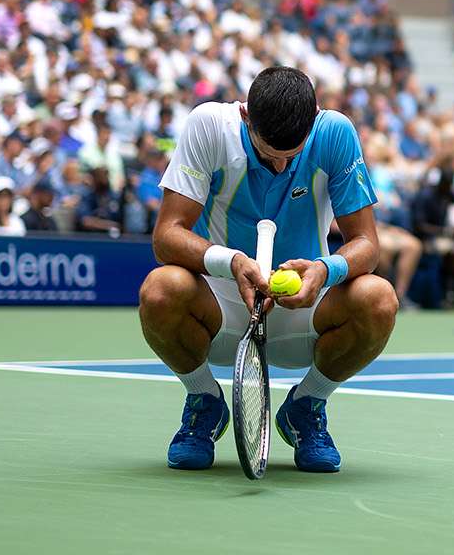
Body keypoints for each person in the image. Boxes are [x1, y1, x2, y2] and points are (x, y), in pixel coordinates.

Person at [137, 67, 397, 473]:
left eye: (290, 155)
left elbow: (367, 244)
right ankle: (204, 401)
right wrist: (232, 262)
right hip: (223, 307)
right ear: (245, 116)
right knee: (160, 289)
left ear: (313, 117)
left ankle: (307, 406)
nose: (279, 166)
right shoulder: (209, 126)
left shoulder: (335, 133)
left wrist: (324, 271)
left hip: (304, 309)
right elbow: (166, 236)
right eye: (267, 153)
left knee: (378, 298)